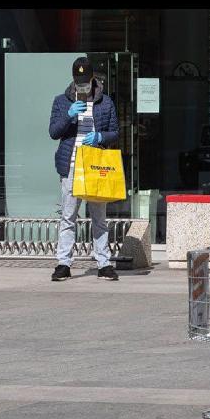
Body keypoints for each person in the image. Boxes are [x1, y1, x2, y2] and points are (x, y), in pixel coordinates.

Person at [48, 57, 120, 282]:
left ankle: (104, 263)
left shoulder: (105, 102)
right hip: (70, 167)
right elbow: (53, 132)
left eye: (85, 82)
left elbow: (115, 132)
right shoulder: (61, 101)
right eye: (78, 83)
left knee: (99, 218)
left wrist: (99, 136)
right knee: (68, 217)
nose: (82, 87)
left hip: (95, 167)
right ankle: (63, 263)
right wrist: (69, 116)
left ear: (92, 79)